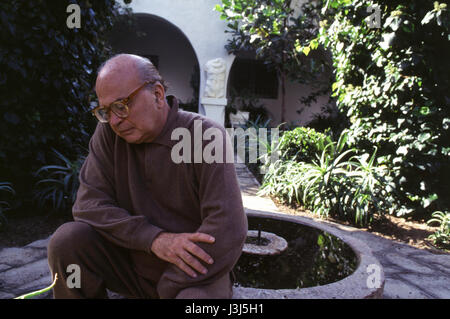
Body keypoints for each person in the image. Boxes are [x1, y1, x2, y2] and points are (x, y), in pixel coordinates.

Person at [47, 54, 248, 299]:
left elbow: (228, 228)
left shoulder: (204, 136)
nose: (114, 120)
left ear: (158, 94)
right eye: (105, 111)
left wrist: (169, 286)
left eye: (121, 105)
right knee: (67, 241)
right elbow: (88, 205)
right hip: (132, 265)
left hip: (193, 276)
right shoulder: (108, 135)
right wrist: (154, 239)